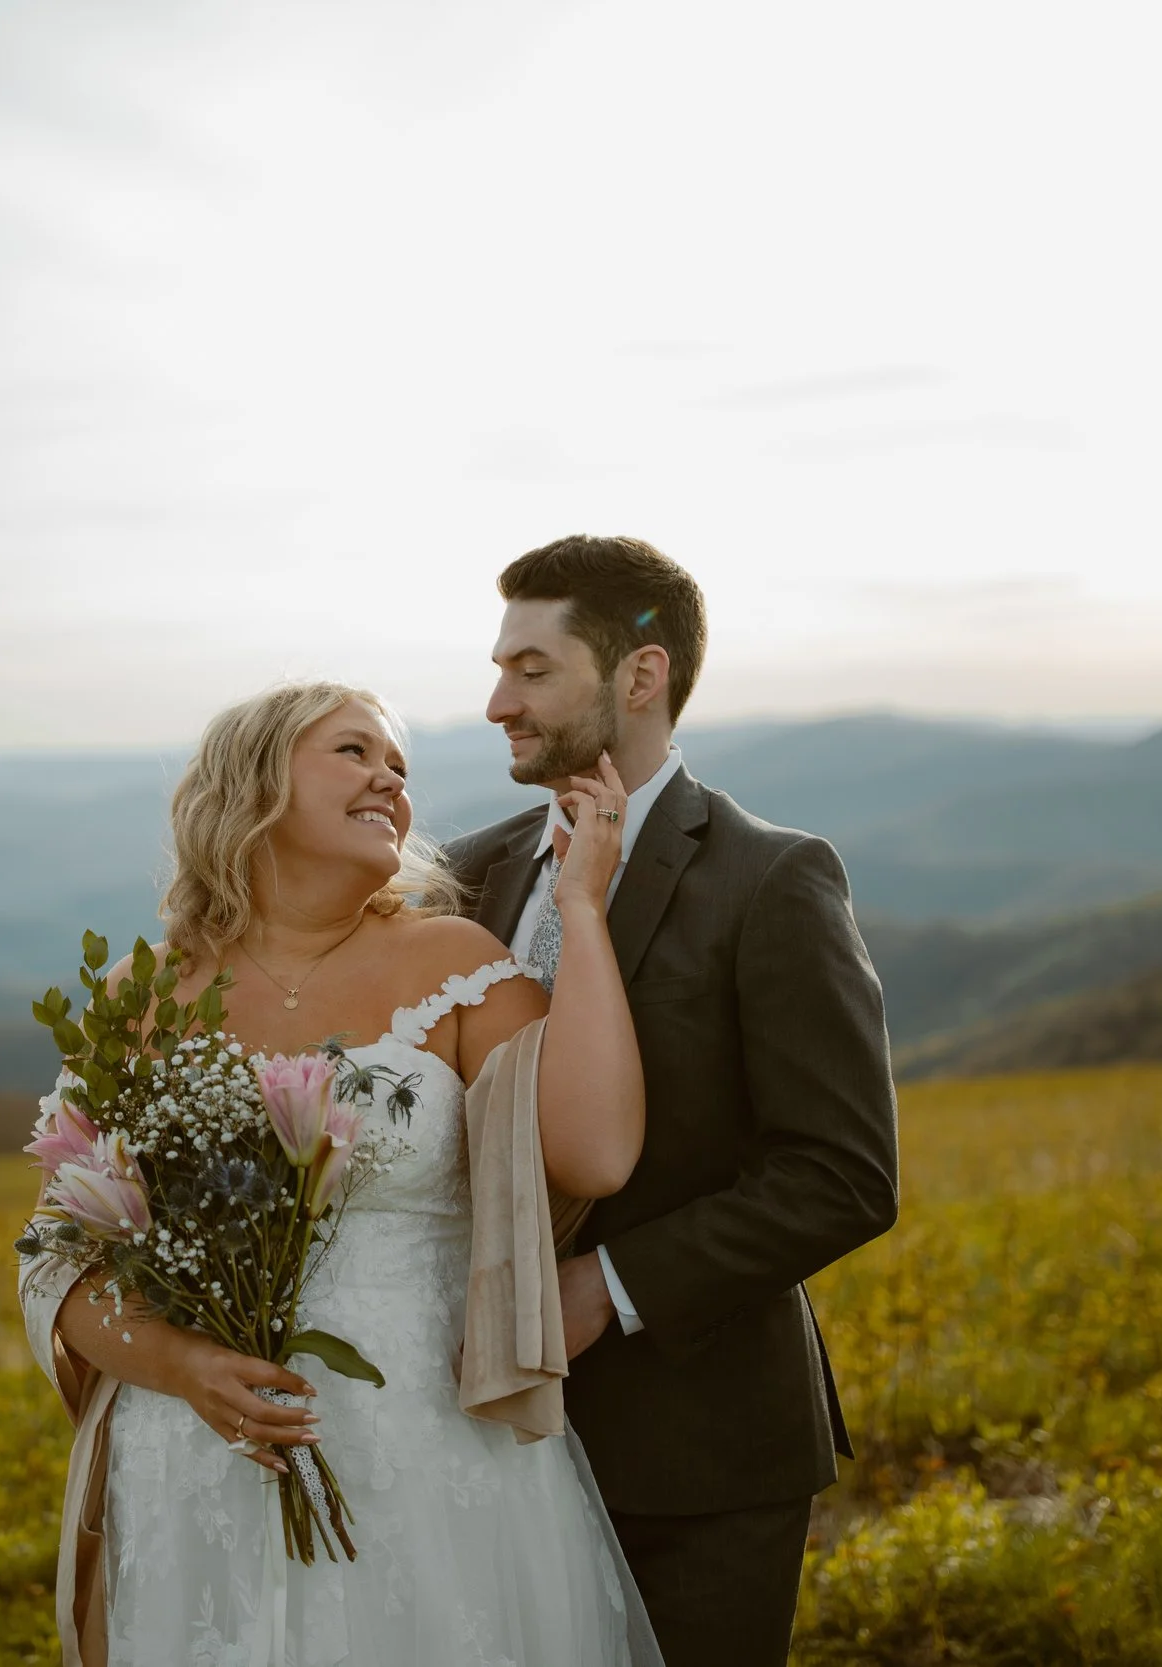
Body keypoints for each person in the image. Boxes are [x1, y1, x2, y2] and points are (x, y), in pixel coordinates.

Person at [17, 680, 667, 1665]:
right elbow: (57, 1257)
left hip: (428, 1444)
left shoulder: (454, 960)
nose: (388, 780)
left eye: (399, 767)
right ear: (254, 783)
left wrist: (581, 907)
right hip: (198, 1457)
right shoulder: (138, 996)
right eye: (353, 752)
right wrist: (186, 1367)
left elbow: (597, 1152)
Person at [443, 533, 901, 1665]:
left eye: (533, 668)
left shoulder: (771, 878)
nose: (497, 699)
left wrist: (605, 1285)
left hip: (697, 1458)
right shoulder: (466, 872)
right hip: (473, 1443)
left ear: (638, 676)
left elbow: (840, 1174)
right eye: (499, 666)